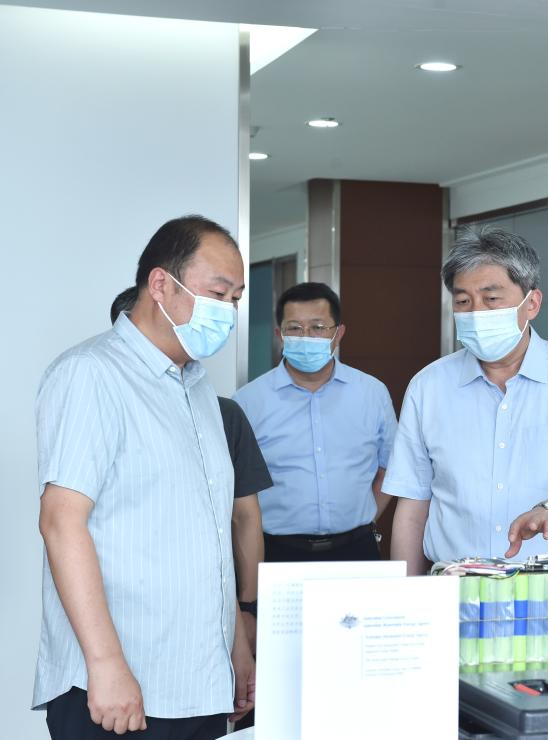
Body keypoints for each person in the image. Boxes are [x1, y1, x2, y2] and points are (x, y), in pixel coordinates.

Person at [35, 215, 254, 739]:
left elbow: (209, 532)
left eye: (236, 299)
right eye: (217, 294)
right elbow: (62, 523)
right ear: (160, 284)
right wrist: (106, 664)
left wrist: (237, 644)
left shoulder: (198, 388)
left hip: (198, 682)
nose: (227, 312)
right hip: (117, 688)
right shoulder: (92, 374)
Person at [385, 225, 548, 676]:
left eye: (491, 298)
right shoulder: (429, 387)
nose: (475, 312)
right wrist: (404, 601)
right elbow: (413, 506)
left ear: (531, 303)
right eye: (463, 301)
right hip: (454, 597)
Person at [110, 286, 271, 658]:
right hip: (129, 609)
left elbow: (245, 516)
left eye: (235, 296)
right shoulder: (101, 398)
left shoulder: (223, 414)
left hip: (212, 610)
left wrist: (247, 607)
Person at [234, 282, 397, 563]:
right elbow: (238, 488)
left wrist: (365, 517)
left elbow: (389, 469)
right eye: (295, 328)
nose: (306, 336)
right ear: (280, 335)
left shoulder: (372, 393)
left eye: (318, 327)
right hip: (276, 551)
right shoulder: (248, 401)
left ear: (338, 334)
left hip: (356, 548)